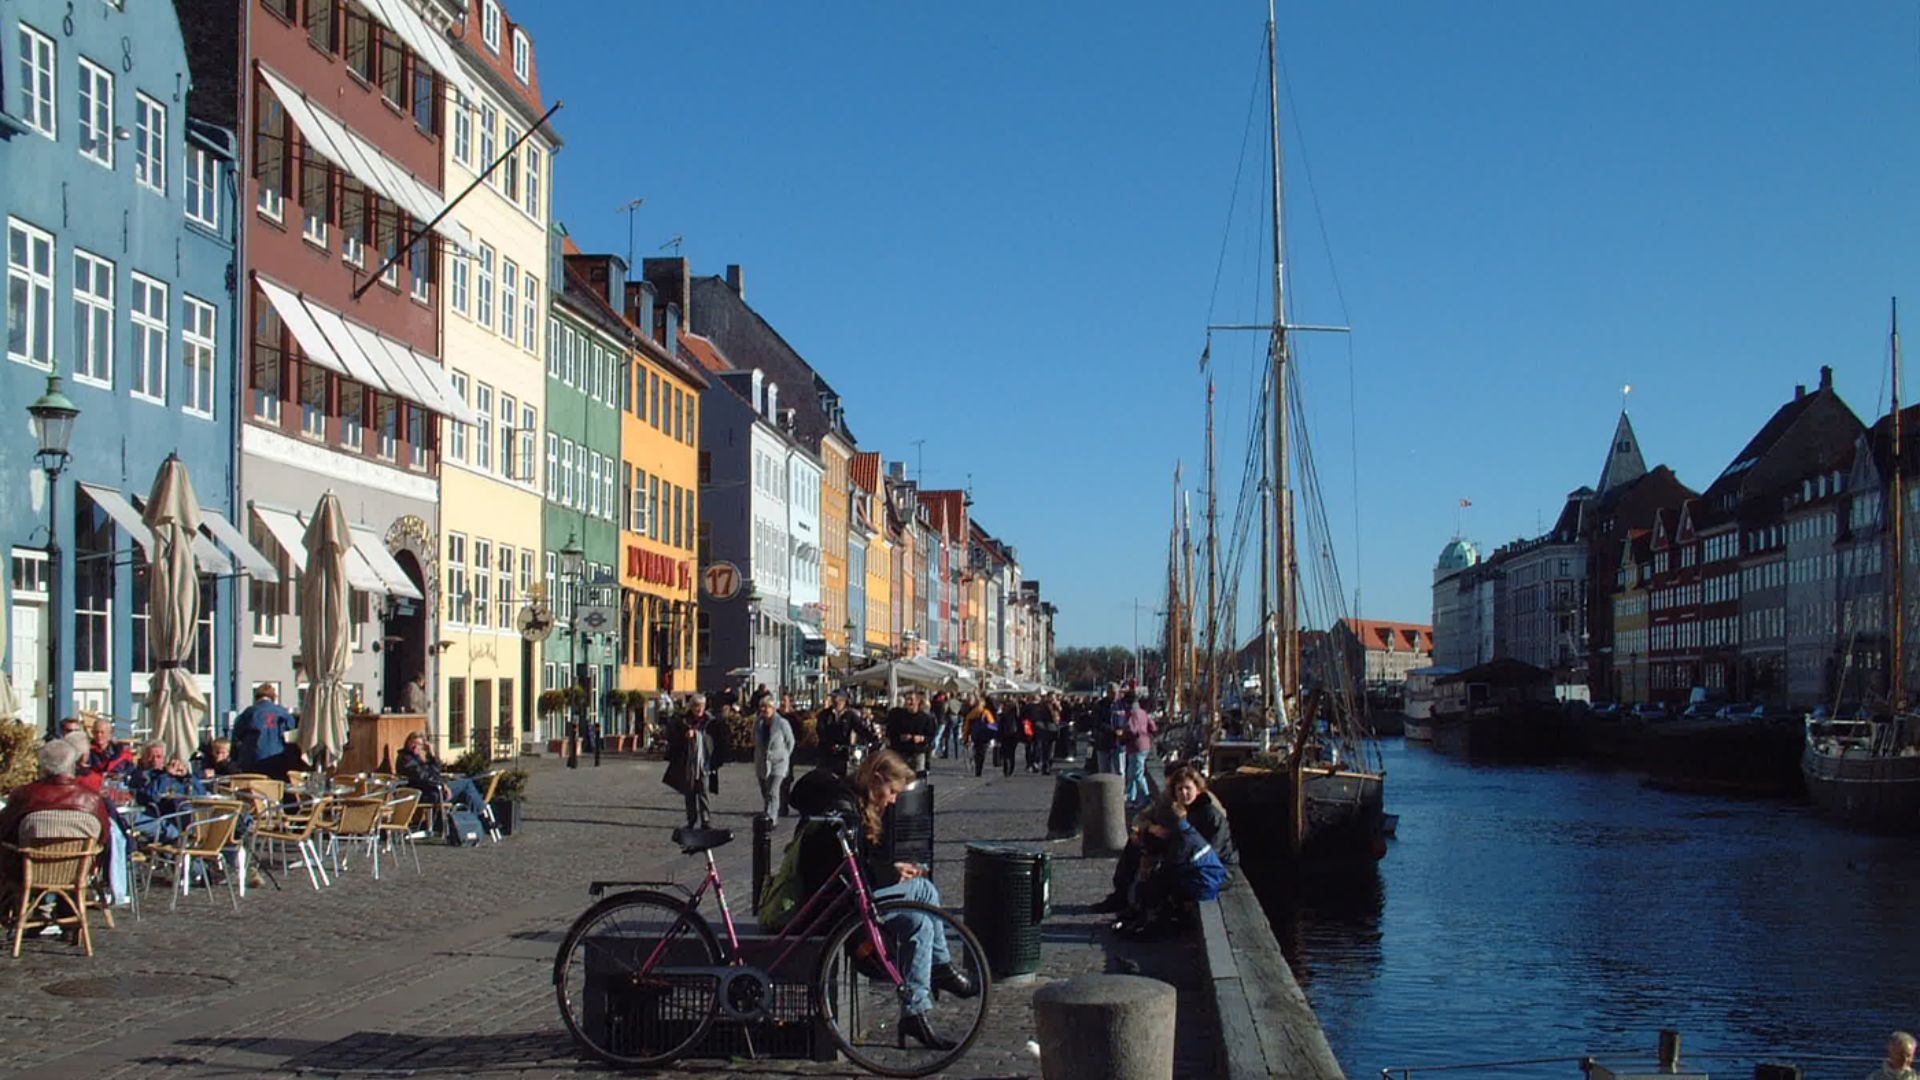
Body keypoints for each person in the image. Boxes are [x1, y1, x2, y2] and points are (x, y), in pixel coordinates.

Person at [785, 750, 977, 1050]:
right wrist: (891, 873)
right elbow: (849, 872)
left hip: (851, 896)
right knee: (924, 892)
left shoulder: (858, 805)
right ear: (876, 778)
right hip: (839, 904)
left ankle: (916, 1011)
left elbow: (861, 866)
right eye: (892, 792)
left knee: (920, 923)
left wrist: (892, 870)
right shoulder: (844, 808)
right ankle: (939, 970)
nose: (891, 800)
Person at [1094, 765, 1235, 914]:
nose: (1184, 793)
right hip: (1185, 851)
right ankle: (1121, 895)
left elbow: (1210, 851)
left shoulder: (1211, 813)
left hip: (1214, 866)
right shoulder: (1171, 804)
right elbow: (1141, 818)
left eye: (1188, 789)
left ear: (1198, 789)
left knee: (1164, 871)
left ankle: (1147, 909)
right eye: (1180, 789)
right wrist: (1148, 829)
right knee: (1136, 843)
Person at [0, 740, 113, 915]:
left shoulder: (25, 795)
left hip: (28, 869)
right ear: (73, 765)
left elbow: (5, 831)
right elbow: (104, 836)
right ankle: (69, 916)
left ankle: (23, 910)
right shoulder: (91, 798)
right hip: (76, 870)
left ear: (41, 765)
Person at [663, 694, 728, 827]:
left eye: (702, 706)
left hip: (704, 763)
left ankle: (705, 820)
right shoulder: (683, 721)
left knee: (704, 793)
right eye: (696, 706)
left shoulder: (710, 721)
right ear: (691, 707)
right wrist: (684, 735)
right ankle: (691, 820)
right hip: (688, 763)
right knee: (690, 793)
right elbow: (673, 738)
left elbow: (718, 738)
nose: (699, 709)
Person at [394, 732, 490, 820]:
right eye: (413, 743)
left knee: (466, 793)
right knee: (466, 784)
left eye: (419, 745)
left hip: (430, 790)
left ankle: (469, 824)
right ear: (407, 743)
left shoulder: (415, 758)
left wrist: (431, 754)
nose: (416, 747)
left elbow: (435, 771)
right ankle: (481, 814)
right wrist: (442, 785)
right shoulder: (406, 759)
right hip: (423, 793)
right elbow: (422, 777)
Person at [231, 683, 297, 773]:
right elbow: (292, 734)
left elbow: (236, 736)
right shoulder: (284, 713)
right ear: (273, 698)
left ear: (256, 697)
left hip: (253, 760)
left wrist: (235, 758)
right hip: (278, 759)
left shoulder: (249, 712)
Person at [752, 698, 795, 820]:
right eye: (762, 707)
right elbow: (754, 739)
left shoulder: (782, 723)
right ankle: (767, 812)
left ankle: (772, 818)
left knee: (773, 790)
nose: (764, 710)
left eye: (767, 707)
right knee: (765, 791)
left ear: (773, 708)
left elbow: (790, 742)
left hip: (778, 762)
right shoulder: (758, 723)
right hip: (762, 762)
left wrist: (783, 755)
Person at [886, 691, 936, 774]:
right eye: (907, 699)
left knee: (917, 780)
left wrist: (921, 738)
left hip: (917, 753)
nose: (909, 702)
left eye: (911, 699)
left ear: (918, 701)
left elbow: (931, 736)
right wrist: (900, 737)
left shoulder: (925, 718)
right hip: (901, 753)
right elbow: (891, 733)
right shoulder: (898, 716)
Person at [1122, 692, 1158, 807]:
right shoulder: (1143, 712)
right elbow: (1153, 727)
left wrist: (1123, 735)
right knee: (1133, 772)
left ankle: (1145, 797)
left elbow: (1132, 730)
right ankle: (1131, 797)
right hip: (1145, 744)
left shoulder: (1131, 714)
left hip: (1135, 745)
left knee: (1137, 774)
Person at [817, 690, 861, 774]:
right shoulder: (825, 714)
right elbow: (820, 729)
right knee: (823, 776)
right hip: (826, 752)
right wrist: (828, 741)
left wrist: (872, 737)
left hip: (842, 753)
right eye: (833, 699)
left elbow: (859, 728)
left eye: (837, 698)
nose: (835, 701)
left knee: (839, 777)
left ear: (843, 700)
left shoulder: (850, 715)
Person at [965, 695, 998, 778]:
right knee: (982, 752)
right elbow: (992, 724)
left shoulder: (971, 713)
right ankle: (979, 768)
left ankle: (977, 767)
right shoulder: (986, 712)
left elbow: (966, 727)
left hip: (975, 735)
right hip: (984, 735)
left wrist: (965, 738)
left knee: (977, 751)